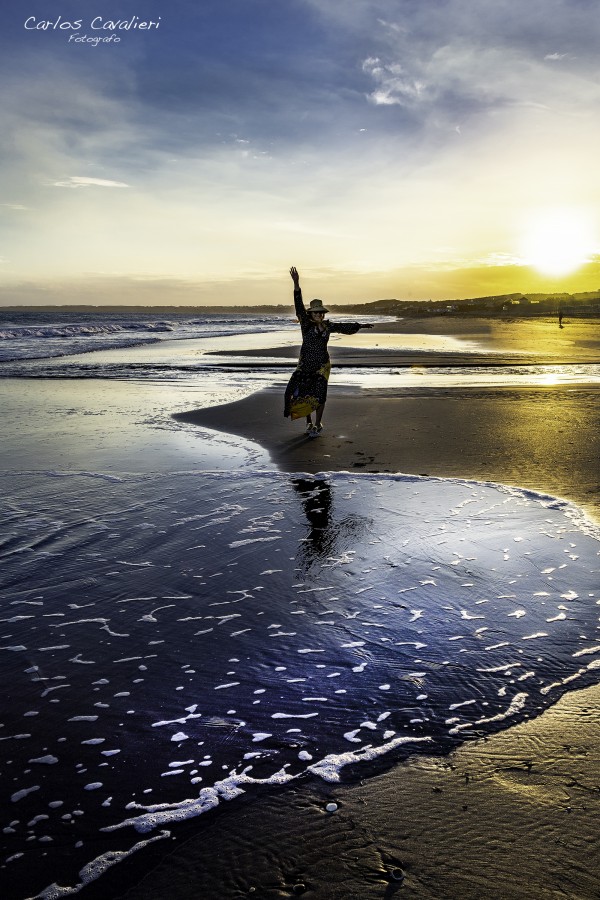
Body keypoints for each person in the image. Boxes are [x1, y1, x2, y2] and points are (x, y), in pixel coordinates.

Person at [284, 266, 373, 436]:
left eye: (321, 313)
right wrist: (296, 283)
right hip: (305, 364)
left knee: (320, 394)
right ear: (311, 314)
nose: (319, 315)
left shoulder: (328, 326)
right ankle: (309, 422)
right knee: (304, 393)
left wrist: (360, 325)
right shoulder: (305, 323)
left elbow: (343, 327)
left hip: (322, 365)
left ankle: (317, 425)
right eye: (316, 313)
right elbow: (298, 304)